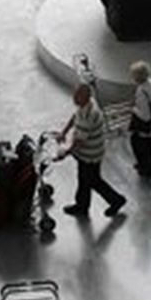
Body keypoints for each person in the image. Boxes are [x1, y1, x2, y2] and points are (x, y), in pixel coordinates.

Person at [58, 84, 128, 218]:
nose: (74, 98)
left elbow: (80, 141)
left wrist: (64, 152)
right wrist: (64, 131)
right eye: (75, 94)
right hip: (86, 153)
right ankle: (82, 206)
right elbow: (75, 116)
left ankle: (116, 200)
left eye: (77, 96)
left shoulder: (91, 114)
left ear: (86, 97)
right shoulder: (85, 105)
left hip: (90, 155)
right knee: (84, 179)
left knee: (93, 181)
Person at [128, 61, 151, 178]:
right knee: (147, 146)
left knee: (139, 145)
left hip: (144, 124)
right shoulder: (150, 83)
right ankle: (149, 167)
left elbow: (145, 115)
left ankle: (146, 168)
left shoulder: (141, 91)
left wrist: (133, 109)